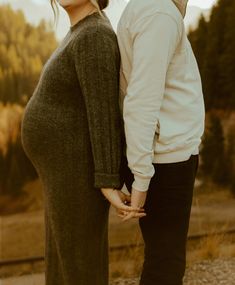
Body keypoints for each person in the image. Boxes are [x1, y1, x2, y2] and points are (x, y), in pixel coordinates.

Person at [20, 0, 145, 284]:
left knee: (79, 266)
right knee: (63, 262)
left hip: (77, 172)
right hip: (63, 173)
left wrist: (107, 180)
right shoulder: (79, 32)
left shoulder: (94, 35)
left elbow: (103, 113)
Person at [116, 0, 205, 284]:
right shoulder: (159, 13)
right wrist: (141, 177)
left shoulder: (159, 11)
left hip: (165, 157)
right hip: (165, 162)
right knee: (165, 265)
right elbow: (140, 101)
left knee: (163, 259)